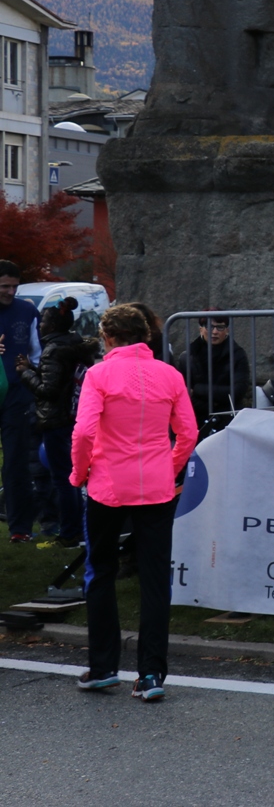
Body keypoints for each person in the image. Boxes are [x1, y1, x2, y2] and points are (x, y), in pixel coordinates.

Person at [72, 304, 198, 701]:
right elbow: (189, 432)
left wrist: (79, 472)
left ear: (108, 338)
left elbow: (84, 432)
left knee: (101, 571)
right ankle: (151, 674)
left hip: (108, 483)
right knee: (155, 577)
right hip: (155, 484)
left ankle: (103, 666)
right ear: (145, 336)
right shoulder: (170, 374)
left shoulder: (99, 374)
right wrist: (169, 466)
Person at [14, 298, 91, 545]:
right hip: (73, 416)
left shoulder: (53, 350)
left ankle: (69, 532)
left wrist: (25, 373)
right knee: (73, 476)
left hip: (56, 420)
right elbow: (60, 379)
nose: (40, 325)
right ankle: (76, 528)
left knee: (63, 478)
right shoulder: (72, 344)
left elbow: (49, 390)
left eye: (44, 321)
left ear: (53, 325)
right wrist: (33, 368)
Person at [0, 260, 41, 542]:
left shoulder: (27, 311)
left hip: (16, 395)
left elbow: (37, 353)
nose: (10, 292)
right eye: (5, 286)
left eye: (14, 286)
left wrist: (32, 372)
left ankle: (20, 528)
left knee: (16, 461)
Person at [179, 313, 252, 422]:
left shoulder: (237, 355)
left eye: (220, 327)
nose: (214, 332)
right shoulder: (188, 357)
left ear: (227, 330)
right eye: (209, 327)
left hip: (228, 416)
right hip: (196, 416)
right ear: (201, 329)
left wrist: (198, 389)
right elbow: (183, 393)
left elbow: (238, 391)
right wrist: (209, 406)